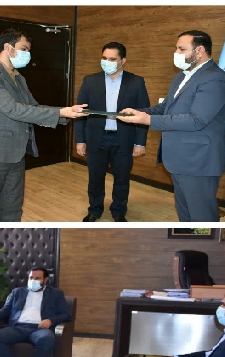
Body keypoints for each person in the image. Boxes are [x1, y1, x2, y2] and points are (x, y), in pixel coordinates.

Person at [0, 28, 89, 222]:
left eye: (28, 50)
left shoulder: (18, 77)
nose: (27, 54)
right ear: (8, 47)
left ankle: (7, 242)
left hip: (16, 153)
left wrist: (66, 111)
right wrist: (60, 113)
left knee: (13, 210)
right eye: (23, 49)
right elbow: (13, 109)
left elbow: (33, 107)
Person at [118, 30, 225, 222]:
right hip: (179, 159)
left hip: (198, 162)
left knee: (202, 219)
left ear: (200, 51)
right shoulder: (182, 76)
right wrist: (139, 112)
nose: (176, 53)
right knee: (185, 215)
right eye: (176, 48)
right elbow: (165, 108)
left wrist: (148, 121)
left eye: (181, 49)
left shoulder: (215, 78)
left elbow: (197, 120)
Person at [75, 42, 150, 222]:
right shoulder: (90, 81)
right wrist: (80, 140)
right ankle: (95, 210)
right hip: (96, 139)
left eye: (112, 59)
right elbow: (80, 112)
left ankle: (118, 212)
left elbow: (143, 114)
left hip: (123, 139)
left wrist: (140, 142)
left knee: (122, 179)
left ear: (123, 61)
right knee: (95, 178)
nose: (107, 62)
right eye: (104, 58)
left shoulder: (136, 82)